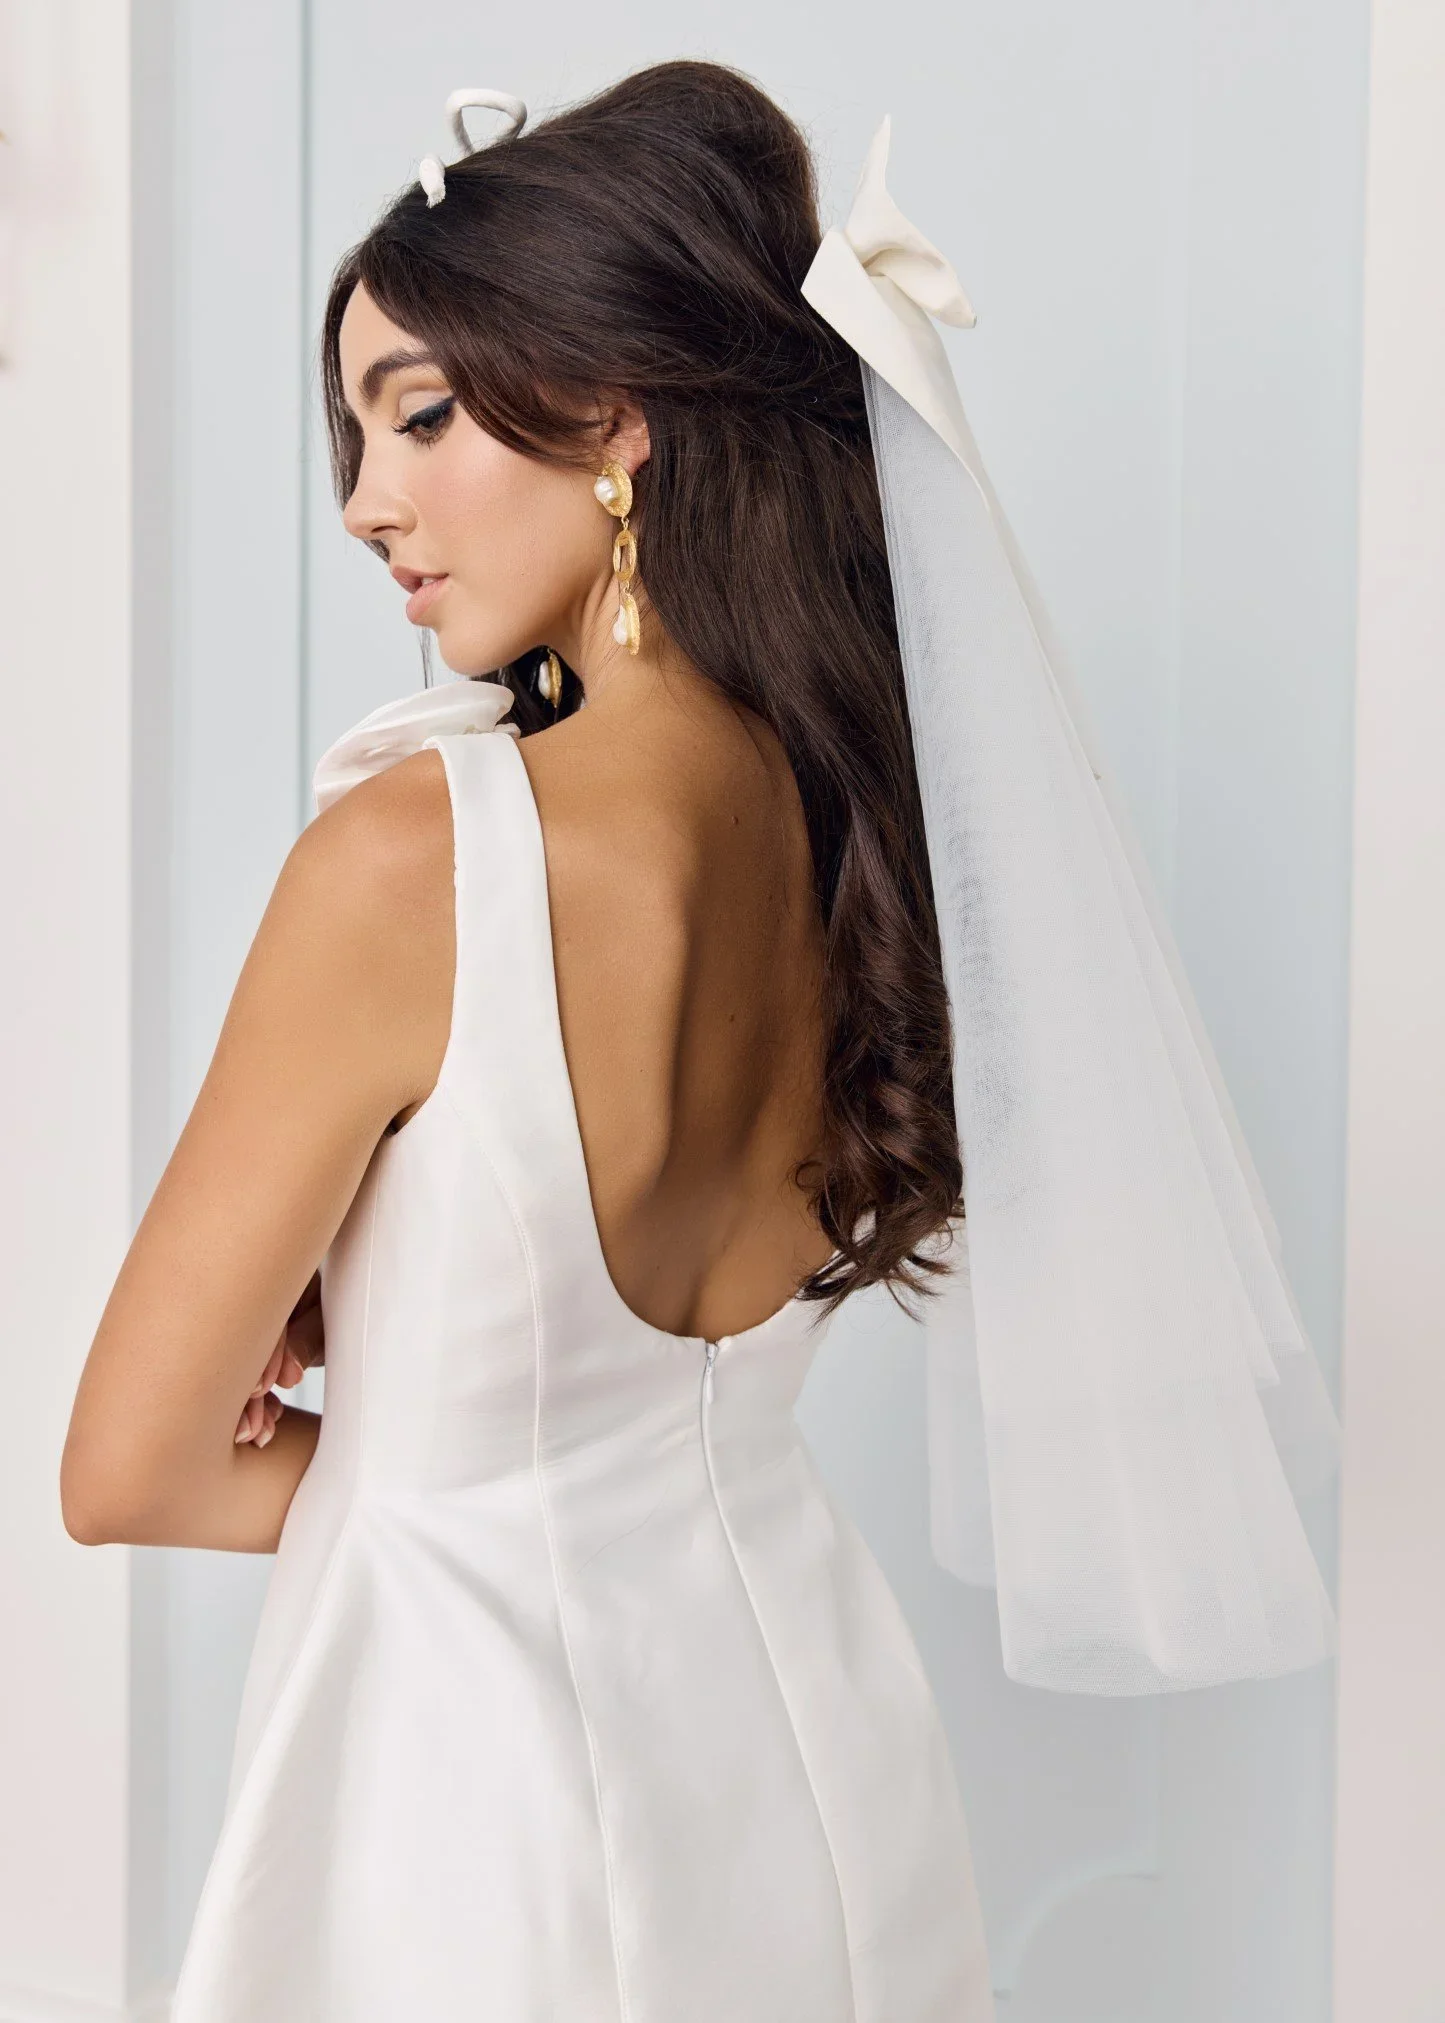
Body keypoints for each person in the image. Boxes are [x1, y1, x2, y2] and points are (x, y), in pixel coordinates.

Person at [60, 60, 999, 2022]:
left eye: (414, 414)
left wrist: (387, 1427)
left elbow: (131, 1465)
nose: (362, 503)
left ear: (613, 414)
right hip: (804, 1768)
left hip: (478, 1817)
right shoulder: (860, 835)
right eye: (350, 431)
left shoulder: (414, 862)